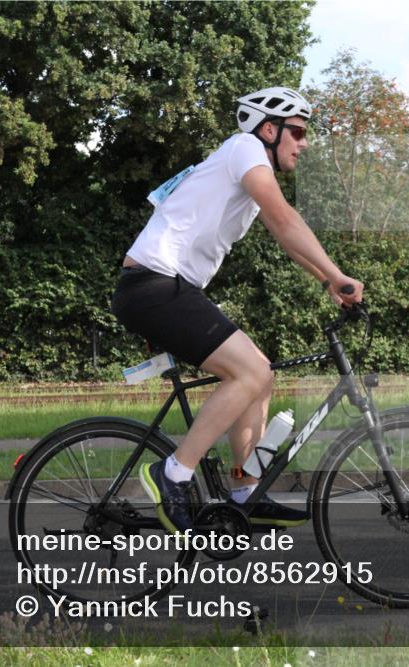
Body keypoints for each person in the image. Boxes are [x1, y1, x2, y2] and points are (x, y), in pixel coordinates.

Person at [110, 87, 364, 534]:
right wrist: (339, 274)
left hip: (166, 287)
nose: (304, 143)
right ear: (270, 129)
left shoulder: (248, 173)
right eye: (298, 132)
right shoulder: (244, 148)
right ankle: (172, 473)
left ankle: (246, 490)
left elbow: (286, 237)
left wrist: (328, 282)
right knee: (249, 374)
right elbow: (287, 219)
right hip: (154, 285)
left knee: (259, 374)